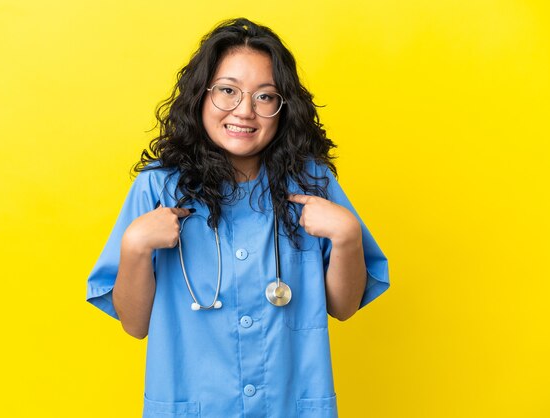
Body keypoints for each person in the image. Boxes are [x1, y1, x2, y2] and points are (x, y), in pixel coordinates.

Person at [86, 17, 389, 418]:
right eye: (227, 91)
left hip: (288, 405)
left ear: (283, 108)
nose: (244, 111)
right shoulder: (158, 188)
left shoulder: (313, 183)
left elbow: (343, 307)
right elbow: (134, 324)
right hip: (192, 405)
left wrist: (348, 237)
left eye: (265, 97)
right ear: (200, 96)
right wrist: (135, 245)